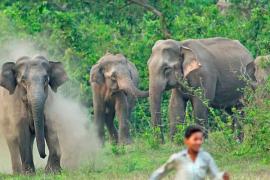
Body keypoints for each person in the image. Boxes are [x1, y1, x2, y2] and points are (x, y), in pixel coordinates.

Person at [149, 125, 230, 180]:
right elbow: (159, 173)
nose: (198, 142)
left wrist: (222, 176)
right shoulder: (178, 158)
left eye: (200, 139)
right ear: (186, 141)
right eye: (195, 139)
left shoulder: (206, 158)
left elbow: (215, 176)